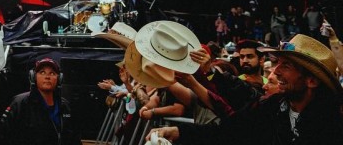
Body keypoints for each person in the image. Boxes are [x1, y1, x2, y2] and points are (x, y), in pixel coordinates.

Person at [145, 34, 343, 144]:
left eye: (286, 66)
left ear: (312, 82)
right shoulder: (271, 107)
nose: (276, 71)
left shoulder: (332, 125)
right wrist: (179, 132)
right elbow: (228, 131)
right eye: (277, 63)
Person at [0, 57, 83, 145]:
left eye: (52, 73)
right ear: (33, 77)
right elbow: (3, 137)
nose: (47, 77)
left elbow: (75, 139)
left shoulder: (65, 106)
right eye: (42, 72)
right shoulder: (20, 104)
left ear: (59, 79)